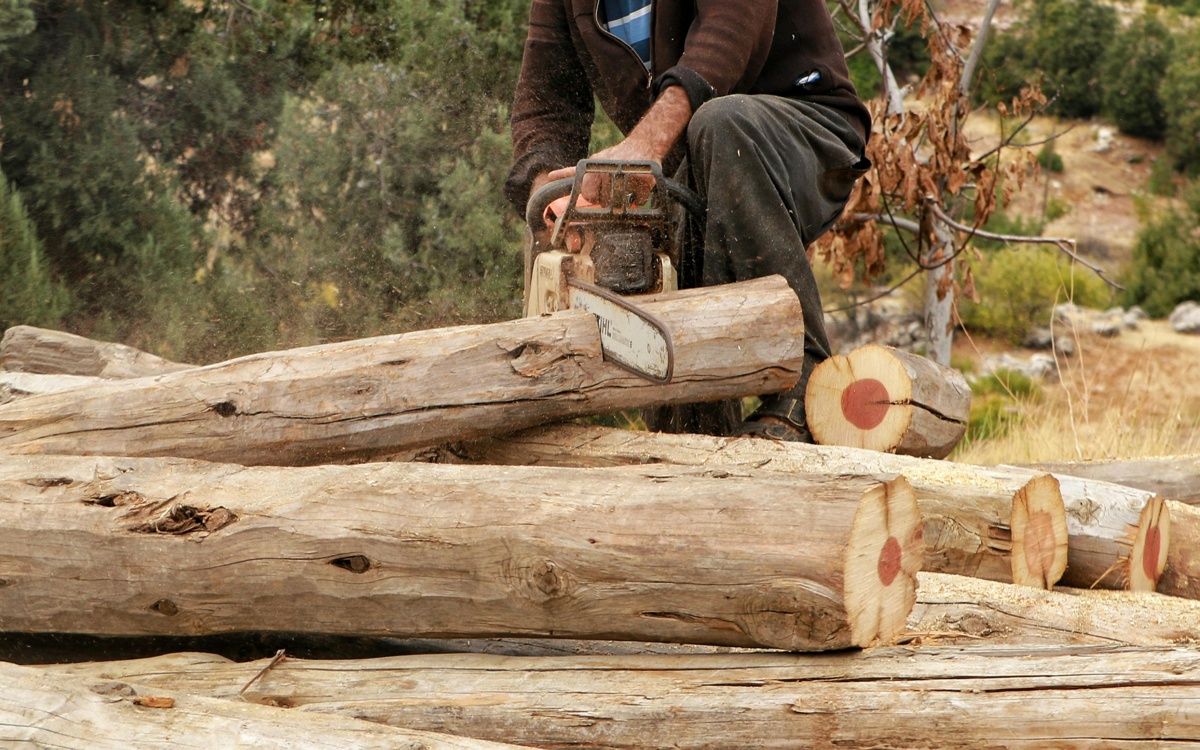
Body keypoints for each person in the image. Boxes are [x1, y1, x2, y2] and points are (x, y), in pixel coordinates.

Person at [504, 0, 871, 442]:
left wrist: (647, 144)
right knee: (649, 264)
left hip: (803, 125)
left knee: (722, 123)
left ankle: (807, 386)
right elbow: (548, 102)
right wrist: (554, 195)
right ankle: (690, 446)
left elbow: (732, 23)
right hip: (690, 158)